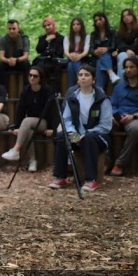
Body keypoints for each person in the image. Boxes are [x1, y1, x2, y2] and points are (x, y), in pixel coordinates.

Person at [49, 64, 112, 192]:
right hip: (77, 135)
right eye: (81, 75)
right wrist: (72, 133)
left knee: (88, 138)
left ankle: (90, 180)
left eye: (87, 75)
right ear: (77, 79)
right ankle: (60, 177)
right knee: (62, 137)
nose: (83, 77)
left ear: (93, 79)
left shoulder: (102, 99)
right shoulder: (72, 97)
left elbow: (105, 126)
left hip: (98, 137)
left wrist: (86, 134)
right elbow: (66, 119)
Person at [0, 66, 54, 172]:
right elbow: (21, 110)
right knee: (28, 130)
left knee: (27, 121)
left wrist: (51, 127)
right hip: (31, 123)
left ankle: (16, 149)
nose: (32, 78)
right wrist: (17, 127)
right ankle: (32, 160)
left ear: (40, 78)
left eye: (35, 76)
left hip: (44, 122)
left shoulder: (46, 91)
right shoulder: (26, 91)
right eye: (30, 75)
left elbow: (52, 110)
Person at [109, 57, 138, 176]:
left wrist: (134, 116)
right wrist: (114, 116)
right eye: (126, 67)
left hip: (136, 118)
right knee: (102, 126)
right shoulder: (118, 86)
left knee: (135, 129)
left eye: (131, 67)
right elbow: (112, 104)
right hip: (118, 117)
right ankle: (104, 161)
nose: (128, 70)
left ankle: (119, 163)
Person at [33, 16, 65, 94]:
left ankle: (56, 92)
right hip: (44, 60)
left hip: (55, 60)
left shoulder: (60, 38)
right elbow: (38, 49)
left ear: (53, 25)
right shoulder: (42, 38)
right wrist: (46, 40)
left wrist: (51, 52)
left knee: (54, 68)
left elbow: (60, 52)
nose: (47, 27)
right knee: (39, 67)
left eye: (49, 25)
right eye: (45, 26)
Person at [89, 12, 120, 89]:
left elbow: (114, 46)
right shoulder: (93, 34)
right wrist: (95, 52)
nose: (98, 22)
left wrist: (106, 49)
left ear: (105, 20)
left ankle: (99, 89)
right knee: (101, 57)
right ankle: (111, 73)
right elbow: (90, 49)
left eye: (100, 19)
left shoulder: (112, 32)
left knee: (102, 58)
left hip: (110, 57)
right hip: (96, 58)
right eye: (96, 21)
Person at [0, 19, 31, 87]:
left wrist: (16, 60)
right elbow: (1, 56)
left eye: (14, 29)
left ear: (18, 29)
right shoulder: (3, 39)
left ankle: (27, 89)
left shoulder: (24, 39)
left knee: (27, 65)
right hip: (7, 62)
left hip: (20, 61)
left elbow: (26, 56)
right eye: (9, 29)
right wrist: (8, 60)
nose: (11, 31)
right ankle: (2, 90)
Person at [114, 8, 138, 79]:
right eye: (124, 16)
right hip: (124, 54)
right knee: (123, 55)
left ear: (133, 16)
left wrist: (128, 50)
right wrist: (127, 50)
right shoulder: (119, 32)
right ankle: (123, 83)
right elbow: (119, 45)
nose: (126, 17)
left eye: (128, 15)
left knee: (126, 57)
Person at [63, 17, 90, 88]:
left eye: (78, 24)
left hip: (83, 59)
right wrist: (70, 55)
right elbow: (66, 51)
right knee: (71, 64)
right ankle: (78, 85)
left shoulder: (86, 36)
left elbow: (86, 51)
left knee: (71, 65)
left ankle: (73, 87)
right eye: (74, 24)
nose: (76, 26)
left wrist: (79, 56)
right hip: (71, 59)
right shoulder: (67, 37)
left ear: (81, 26)